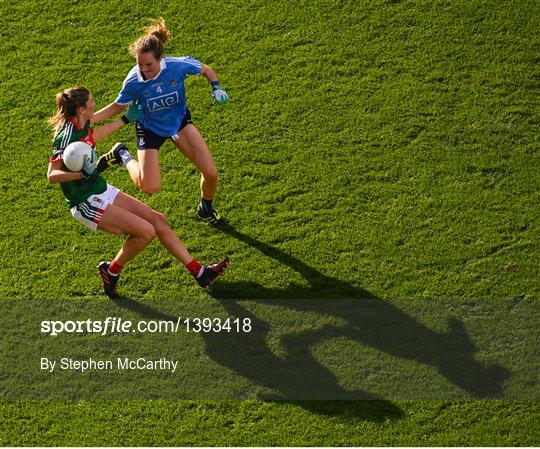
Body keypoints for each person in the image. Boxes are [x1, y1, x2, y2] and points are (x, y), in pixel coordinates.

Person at [47, 86, 229, 299]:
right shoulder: (65, 137)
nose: (94, 104)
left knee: (158, 220)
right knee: (146, 231)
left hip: (100, 188)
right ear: (81, 109)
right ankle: (112, 271)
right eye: (91, 102)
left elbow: (94, 134)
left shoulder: (83, 122)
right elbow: (52, 175)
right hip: (85, 202)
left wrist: (127, 116)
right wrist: (82, 175)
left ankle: (200, 273)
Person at [92, 18, 229, 225]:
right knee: (149, 187)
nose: (144, 69)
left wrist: (216, 87)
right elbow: (118, 106)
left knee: (211, 174)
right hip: (150, 129)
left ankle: (205, 208)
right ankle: (121, 154)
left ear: (160, 58)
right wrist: (91, 118)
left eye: (149, 65)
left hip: (179, 123)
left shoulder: (177, 66)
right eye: (139, 64)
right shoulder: (133, 81)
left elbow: (205, 69)